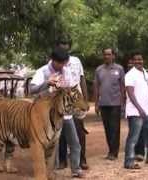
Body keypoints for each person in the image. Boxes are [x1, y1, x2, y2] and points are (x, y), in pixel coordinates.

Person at [29, 47, 84, 178]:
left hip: (66, 113)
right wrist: (47, 83)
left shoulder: (66, 71)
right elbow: (32, 89)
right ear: (53, 60)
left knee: (75, 142)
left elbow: (71, 89)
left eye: (65, 63)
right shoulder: (42, 71)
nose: (63, 66)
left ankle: (76, 169)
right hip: (47, 116)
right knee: (50, 145)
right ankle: (49, 171)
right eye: (60, 63)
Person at [124, 51, 148, 169]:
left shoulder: (145, 73)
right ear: (132, 61)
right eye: (136, 59)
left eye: (140, 59)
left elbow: (144, 89)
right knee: (133, 137)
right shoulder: (130, 75)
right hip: (135, 111)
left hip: (147, 109)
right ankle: (129, 161)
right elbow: (130, 94)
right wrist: (139, 108)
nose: (138, 61)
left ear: (143, 60)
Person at [56, 36, 90, 170]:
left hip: (77, 101)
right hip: (61, 102)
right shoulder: (54, 63)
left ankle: (82, 160)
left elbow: (82, 80)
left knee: (79, 131)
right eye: (61, 45)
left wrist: (85, 100)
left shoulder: (76, 61)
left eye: (66, 45)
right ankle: (63, 160)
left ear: (69, 47)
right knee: (62, 132)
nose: (64, 47)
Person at [94, 48, 125, 160]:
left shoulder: (119, 69)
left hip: (116, 103)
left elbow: (122, 87)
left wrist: (123, 102)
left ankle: (114, 152)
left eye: (109, 54)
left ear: (113, 56)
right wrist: (96, 104)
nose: (106, 56)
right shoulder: (99, 70)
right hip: (103, 104)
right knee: (107, 128)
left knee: (115, 128)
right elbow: (96, 87)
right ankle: (110, 150)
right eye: (105, 54)